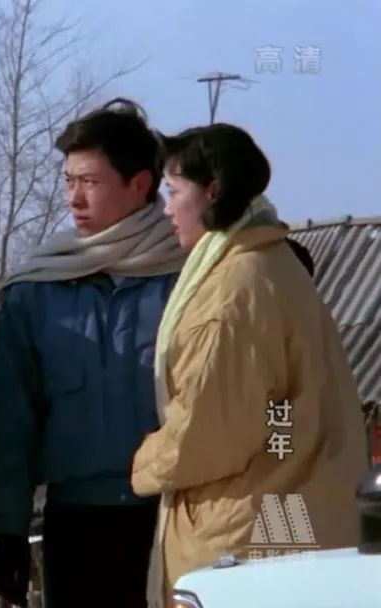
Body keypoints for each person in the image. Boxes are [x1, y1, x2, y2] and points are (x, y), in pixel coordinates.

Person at [130, 122, 367, 606]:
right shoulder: (275, 263)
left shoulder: (232, 291)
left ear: (212, 191)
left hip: (243, 532)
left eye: (174, 191)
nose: (166, 208)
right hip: (297, 504)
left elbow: (210, 433)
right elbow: (275, 414)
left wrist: (143, 463)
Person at [0, 99, 186, 607]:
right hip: (76, 523)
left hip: (175, 516)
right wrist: (7, 528)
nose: (74, 197)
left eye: (90, 181)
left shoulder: (188, 279)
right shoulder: (38, 287)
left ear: (139, 184)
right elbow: (8, 422)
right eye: (68, 180)